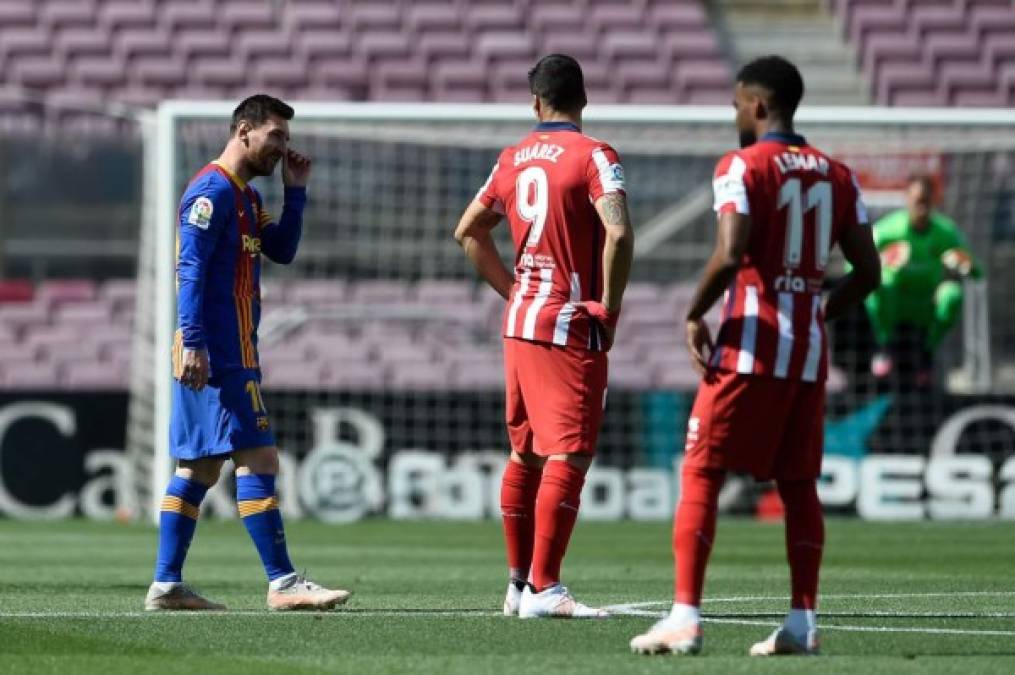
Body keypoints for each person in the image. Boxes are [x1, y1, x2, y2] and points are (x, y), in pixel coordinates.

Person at [629, 55, 880, 655]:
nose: (735, 113)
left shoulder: (742, 166)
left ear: (759, 105)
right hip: (808, 357)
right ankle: (802, 624)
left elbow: (731, 250)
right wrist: (818, 311)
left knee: (702, 471)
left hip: (749, 347)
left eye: (739, 102)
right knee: (799, 485)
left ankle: (685, 618)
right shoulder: (838, 175)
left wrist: (694, 312)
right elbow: (868, 273)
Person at [145, 94, 350, 611]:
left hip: (228, 349)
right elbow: (188, 271)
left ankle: (167, 584)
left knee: (199, 470)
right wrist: (192, 340)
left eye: (285, 137)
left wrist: (295, 194)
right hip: (217, 351)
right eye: (275, 136)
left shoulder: (247, 198)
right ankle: (282, 582)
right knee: (258, 458)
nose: (283, 147)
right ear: (243, 132)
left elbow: (280, 250)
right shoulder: (211, 192)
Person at [454, 54, 634, 619]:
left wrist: (515, 291)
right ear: (583, 99)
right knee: (571, 453)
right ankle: (546, 587)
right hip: (566, 324)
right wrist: (609, 306)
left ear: (536, 103)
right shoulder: (595, 154)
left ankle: (516, 585)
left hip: (521, 323)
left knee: (525, 453)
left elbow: (467, 232)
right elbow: (620, 231)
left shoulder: (511, 159)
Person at [865, 173, 981, 383]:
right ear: (907, 199)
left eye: (926, 201)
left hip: (926, 304)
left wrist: (965, 263)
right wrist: (879, 262)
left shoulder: (946, 232)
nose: (922, 207)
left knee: (952, 294)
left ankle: (927, 352)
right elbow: (852, 263)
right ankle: (884, 345)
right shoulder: (888, 229)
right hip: (896, 303)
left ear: (934, 200)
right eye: (918, 201)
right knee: (880, 284)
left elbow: (977, 272)